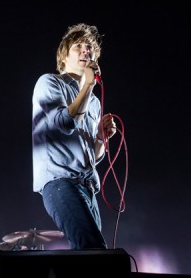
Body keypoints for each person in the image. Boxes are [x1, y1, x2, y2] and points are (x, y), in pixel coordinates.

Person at [32, 23, 117, 250]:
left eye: (89, 48)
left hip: (87, 186)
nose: (85, 51)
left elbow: (95, 156)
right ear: (64, 56)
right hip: (60, 182)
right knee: (93, 250)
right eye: (78, 46)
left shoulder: (94, 102)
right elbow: (65, 123)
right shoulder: (50, 82)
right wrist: (88, 84)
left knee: (89, 254)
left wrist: (101, 137)